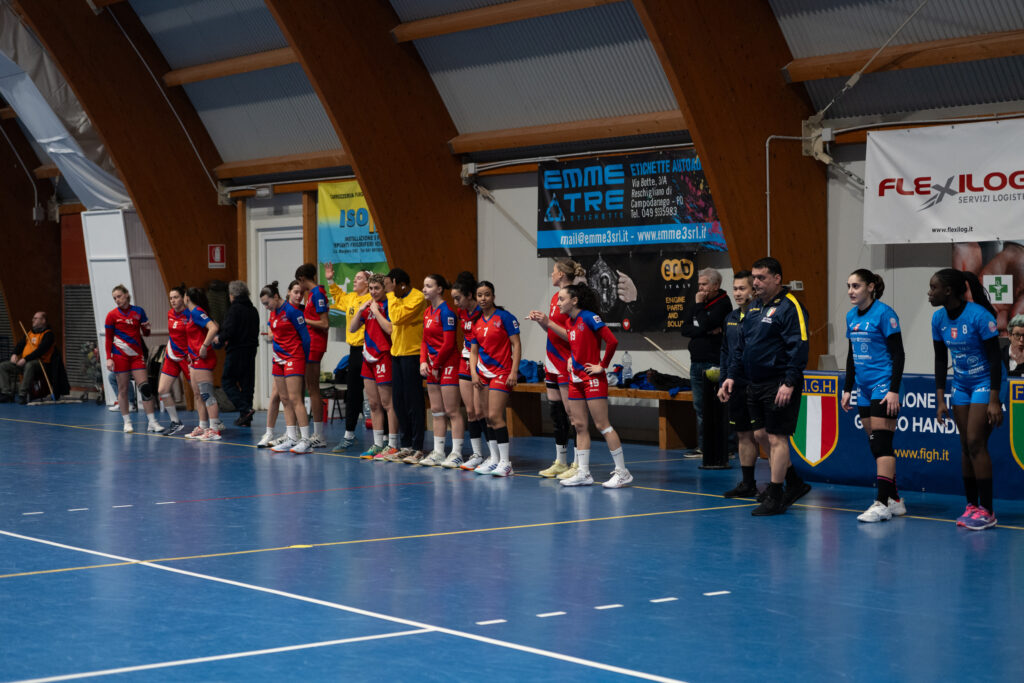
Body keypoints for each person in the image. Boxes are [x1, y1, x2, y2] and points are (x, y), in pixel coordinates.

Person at [720, 257, 811, 516]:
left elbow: (800, 345)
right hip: (753, 383)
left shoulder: (790, 306)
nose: (756, 282)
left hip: (778, 382)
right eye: (754, 277)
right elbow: (741, 348)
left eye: (761, 278)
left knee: (776, 437)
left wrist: (789, 381)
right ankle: (794, 483)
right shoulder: (754, 307)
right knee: (759, 435)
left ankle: (775, 493)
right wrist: (731, 376)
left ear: (777, 278)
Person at [535, 284, 632, 488]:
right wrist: (572, 359)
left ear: (574, 300)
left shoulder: (589, 317)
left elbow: (611, 341)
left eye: (562, 299)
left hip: (592, 378)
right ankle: (584, 472)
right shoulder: (570, 322)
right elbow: (577, 345)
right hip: (575, 378)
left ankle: (623, 472)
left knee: (602, 425)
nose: (558, 303)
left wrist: (602, 366)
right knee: (579, 425)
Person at [930, 268, 1005, 530]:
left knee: (976, 441)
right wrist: (940, 399)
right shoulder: (938, 319)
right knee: (964, 444)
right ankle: (971, 506)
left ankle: (988, 511)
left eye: (933, 288)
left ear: (948, 291)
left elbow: (996, 360)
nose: (929, 293)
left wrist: (994, 400)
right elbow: (941, 360)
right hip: (961, 384)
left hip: (986, 382)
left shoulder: (980, 317)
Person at [841, 269, 907, 523]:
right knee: (874, 444)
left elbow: (899, 354)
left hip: (883, 385)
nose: (850, 291)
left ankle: (881, 504)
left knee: (882, 445)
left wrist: (893, 390)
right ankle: (895, 499)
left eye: (856, 286)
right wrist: (847, 388)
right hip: (863, 388)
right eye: (848, 286)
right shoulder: (850, 316)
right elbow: (851, 355)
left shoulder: (885, 314)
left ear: (870, 287)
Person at [527, 259, 585, 479]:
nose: (551, 275)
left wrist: (549, 322)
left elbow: (573, 335)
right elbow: (553, 331)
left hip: (566, 361)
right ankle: (561, 461)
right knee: (556, 412)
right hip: (551, 358)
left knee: (573, 415)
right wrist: (542, 321)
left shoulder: (572, 298)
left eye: (553, 272)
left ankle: (579, 463)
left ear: (561, 274)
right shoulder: (554, 298)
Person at [469, 280, 521, 477]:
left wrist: (513, 371)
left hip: (502, 372)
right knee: (484, 416)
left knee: (495, 416)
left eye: (487, 294)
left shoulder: (505, 317)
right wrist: (474, 373)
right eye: (480, 295)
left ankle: (506, 463)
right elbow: (473, 351)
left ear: (493, 296)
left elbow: (516, 344)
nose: (483, 298)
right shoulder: (477, 322)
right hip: (482, 373)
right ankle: (495, 459)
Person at [679, 268, 733, 457]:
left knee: (719, 406)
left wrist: (702, 315)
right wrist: (705, 328)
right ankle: (704, 446)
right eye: (699, 284)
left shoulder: (723, 304)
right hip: (696, 363)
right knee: (700, 407)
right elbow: (685, 329)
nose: (700, 288)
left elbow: (707, 324)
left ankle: (726, 447)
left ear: (715, 285)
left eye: (704, 285)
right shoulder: (698, 303)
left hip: (713, 362)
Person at [717, 271, 761, 498]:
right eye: (735, 289)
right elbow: (725, 351)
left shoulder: (762, 316)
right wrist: (724, 381)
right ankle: (747, 483)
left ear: (754, 291)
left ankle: (778, 485)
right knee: (743, 434)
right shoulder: (731, 318)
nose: (737, 293)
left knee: (764, 435)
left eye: (742, 289)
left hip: (757, 384)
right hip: (736, 385)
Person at [351, 273, 402, 461]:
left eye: (376, 289)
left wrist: (377, 311)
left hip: (384, 357)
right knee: (373, 404)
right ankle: (378, 444)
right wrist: (359, 311)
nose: (373, 292)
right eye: (371, 289)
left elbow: (390, 329)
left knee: (388, 403)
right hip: (368, 357)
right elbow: (352, 328)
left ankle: (393, 445)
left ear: (384, 288)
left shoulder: (390, 305)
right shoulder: (368, 305)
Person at [416, 274, 463, 467]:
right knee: (436, 411)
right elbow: (425, 340)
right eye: (424, 286)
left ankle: (457, 453)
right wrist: (423, 362)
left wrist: (435, 365)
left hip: (448, 364)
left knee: (452, 410)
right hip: (433, 366)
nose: (424, 289)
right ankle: (438, 451)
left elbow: (449, 343)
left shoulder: (447, 312)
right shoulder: (428, 312)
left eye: (428, 286)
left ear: (439, 289)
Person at [324, 263, 372, 452]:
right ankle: (349, 436)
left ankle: (384, 439)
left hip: (370, 351)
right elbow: (338, 296)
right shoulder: (351, 298)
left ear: (368, 283)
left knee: (376, 398)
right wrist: (330, 279)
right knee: (353, 394)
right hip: (354, 352)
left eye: (359, 278)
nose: (354, 280)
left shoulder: (372, 298)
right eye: (354, 278)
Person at [261, 280, 313, 454]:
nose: (266, 306)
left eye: (267, 303)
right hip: (278, 359)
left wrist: (302, 359)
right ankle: (292, 437)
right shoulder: (273, 313)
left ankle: (306, 440)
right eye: (263, 304)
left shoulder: (292, 312)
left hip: (294, 357)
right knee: (284, 399)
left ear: (276, 297)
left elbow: (305, 338)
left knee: (295, 398)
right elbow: (275, 334)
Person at [104, 285, 163, 434]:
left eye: (119, 296)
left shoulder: (138, 311)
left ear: (126, 295)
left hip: (136, 356)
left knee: (145, 388)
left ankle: (152, 422)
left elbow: (146, 333)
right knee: (123, 389)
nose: (117, 300)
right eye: (114, 298)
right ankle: (127, 422)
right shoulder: (112, 315)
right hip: (119, 355)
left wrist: (147, 328)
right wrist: (108, 358)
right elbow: (109, 338)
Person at [385, 268, 428, 460]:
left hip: (413, 354)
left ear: (398, 283)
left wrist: (390, 296)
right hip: (397, 354)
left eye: (389, 284)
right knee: (398, 401)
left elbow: (396, 317)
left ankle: (418, 446)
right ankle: (406, 444)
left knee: (414, 401)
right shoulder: (396, 298)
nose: (388, 289)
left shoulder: (417, 297)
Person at [452, 273, 488, 471]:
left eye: (458, 298)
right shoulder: (462, 313)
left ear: (469, 295)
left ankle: (495, 455)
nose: (456, 303)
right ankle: (477, 454)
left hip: (482, 362)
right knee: (471, 412)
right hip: (465, 361)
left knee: (483, 411)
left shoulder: (483, 313)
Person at [182, 287, 224, 442]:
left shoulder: (197, 312)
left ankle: (214, 429)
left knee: (206, 394)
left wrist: (204, 346)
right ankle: (203, 426)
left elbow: (213, 327)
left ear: (187, 298)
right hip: (194, 359)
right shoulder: (191, 314)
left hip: (203, 359)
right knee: (197, 395)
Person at [216, 280, 260, 427]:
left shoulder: (234, 309)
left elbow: (229, 330)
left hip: (236, 351)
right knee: (247, 384)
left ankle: (245, 409)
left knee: (227, 382)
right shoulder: (253, 310)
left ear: (232, 295)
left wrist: (219, 339)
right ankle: (245, 417)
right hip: (251, 351)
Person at [296, 264, 330, 447]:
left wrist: (302, 319)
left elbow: (324, 323)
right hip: (310, 343)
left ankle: (319, 435)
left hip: (315, 344)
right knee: (311, 386)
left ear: (302, 278)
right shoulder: (311, 295)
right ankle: (315, 433)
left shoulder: (317, 294)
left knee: (313, 387)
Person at [155, 285, 190, 435]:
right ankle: (176, 422)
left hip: (187, 358)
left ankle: (211, 424)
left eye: (176, 297)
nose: (173, 301)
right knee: (162, 390)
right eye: (171, 298)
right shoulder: (170, 313)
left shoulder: (191, 314)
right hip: (171, 355)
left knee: (199, 392)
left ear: (183, 298)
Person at [0, 311, 54, 404]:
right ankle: (6, 393)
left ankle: (22, 394)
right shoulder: (29, 333)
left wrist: (25, 359)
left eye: (36, 318)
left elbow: (40, 351)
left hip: (41, 364)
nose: (33, 320)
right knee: (3, 365)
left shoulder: (48, 334)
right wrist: (14, 354)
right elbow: (19, 345)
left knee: (30, 365)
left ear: (43, 320)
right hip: (24, 363)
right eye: (33, 318)